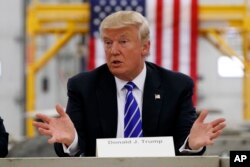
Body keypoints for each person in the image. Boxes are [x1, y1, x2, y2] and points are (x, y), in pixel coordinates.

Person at [33, 11, 226, 157]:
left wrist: (192, 144)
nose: (113, 51)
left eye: (123, 42)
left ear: (145, 47)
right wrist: (72, 141)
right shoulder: (83, 87)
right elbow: (76, 146)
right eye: (108, 43)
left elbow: (185, 144)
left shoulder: (176, 86)